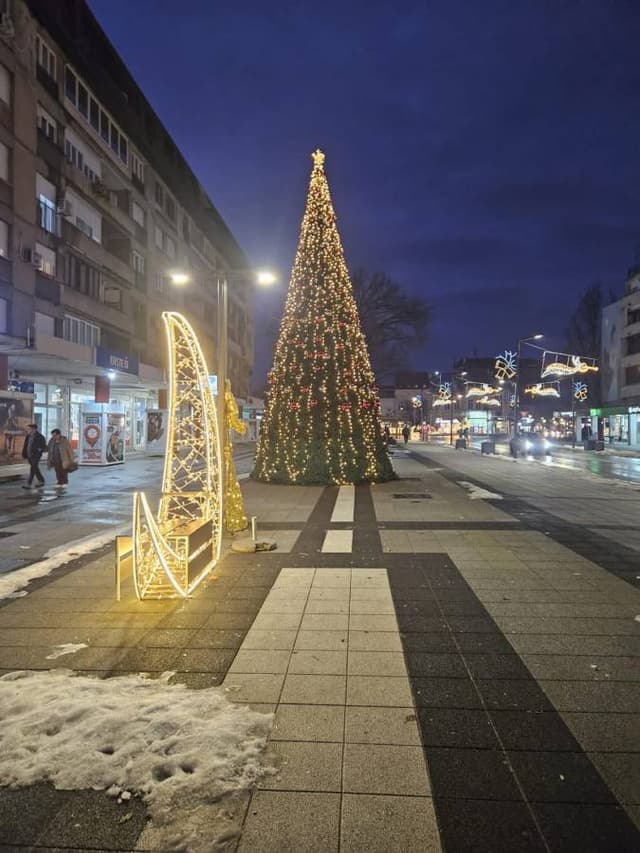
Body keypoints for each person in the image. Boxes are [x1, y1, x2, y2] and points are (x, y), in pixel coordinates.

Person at [21, 423, 47, 489]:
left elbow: (44, 446)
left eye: (30, 429)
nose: (29, 430)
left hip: (35, 456)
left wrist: (39, 450)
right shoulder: (28, 436)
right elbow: (25, 445)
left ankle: (28, 484)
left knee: (32, 469)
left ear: (34, 429)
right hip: (29, 455)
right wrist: (24, 454)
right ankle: (41, 480)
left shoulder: (40, 437)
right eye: (28, 429)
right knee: (35, 468)